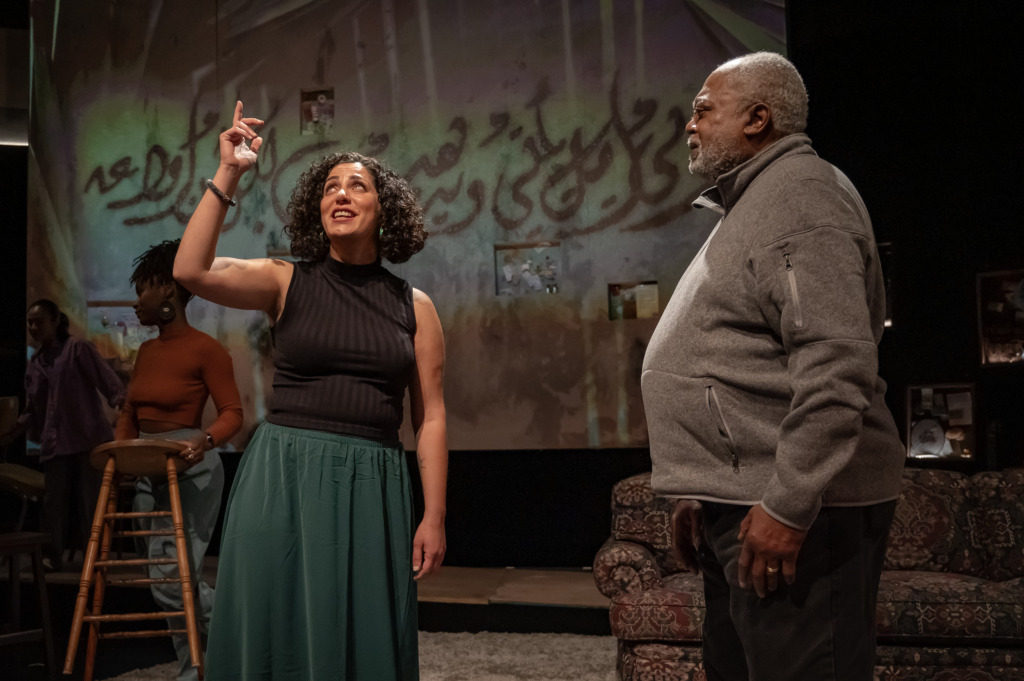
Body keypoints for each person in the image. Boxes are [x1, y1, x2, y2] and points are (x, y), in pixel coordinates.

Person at [641, 52, 905, 681]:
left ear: (758, 119)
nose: (689, 125)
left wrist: (788, 505)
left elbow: (836, 365)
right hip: (740, 497)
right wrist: (702, 485)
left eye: (704, 109)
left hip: (796, 510)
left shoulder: (799, 198)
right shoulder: (758, 201)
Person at [173, 101, 448, 680]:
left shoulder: (415, 308)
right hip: (283, 474)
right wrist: (230, 172)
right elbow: (190, 271)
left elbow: (431, 420)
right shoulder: (283, 279)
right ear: (315, 207)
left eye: (357, 185)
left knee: (360, 632)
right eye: (329, 187)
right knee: (273, 628)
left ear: (385, 208)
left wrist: (435, 515)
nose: (340, 195)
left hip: (371, 481)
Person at [115, 239, 243, 681]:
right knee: (163, 579)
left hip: (190, 466)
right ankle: (195, 668)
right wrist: (120, 458)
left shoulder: (206, 349)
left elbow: (233, 415)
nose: (136, 302)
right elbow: (130, 413)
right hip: (148, 469)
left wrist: (205, 440)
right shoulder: (147, 352)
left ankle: (244, 630)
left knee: (174, 577)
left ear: (168, 289)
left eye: (142, 290)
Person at [0, 299, 124, 570]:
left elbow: (107, 380)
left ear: (56, 321)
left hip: (88, 438)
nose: (33, 327)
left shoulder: (76, 348)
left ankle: (95, 559)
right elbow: (32, 408)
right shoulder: (34, 361)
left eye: (39, 321)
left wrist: (123, 406)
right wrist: (11, 433)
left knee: (89, 502)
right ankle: (50, 556)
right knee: (53, 503)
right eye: (30, 322)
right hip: (56, 442)